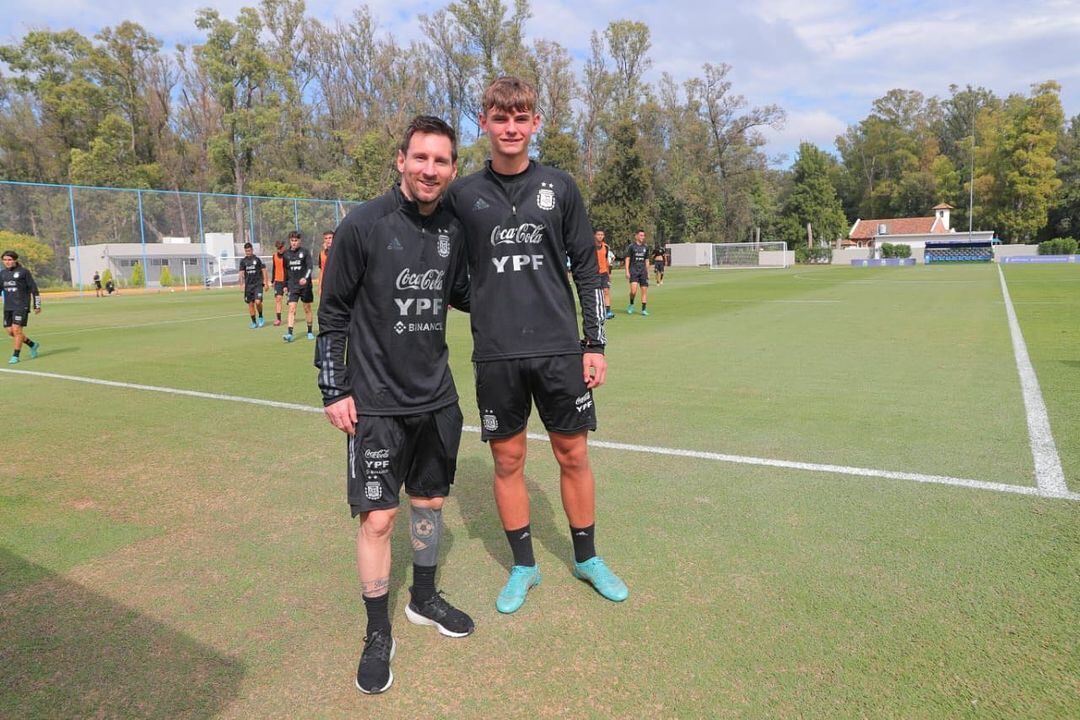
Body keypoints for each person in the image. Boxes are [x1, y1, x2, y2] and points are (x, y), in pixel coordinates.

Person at [444, 76, 627, 614]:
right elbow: (448, 269)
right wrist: (487, 302)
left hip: (559, 352)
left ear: (535, 124)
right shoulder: (463, 196)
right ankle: (524, 566)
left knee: (574, 454)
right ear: (484, 123)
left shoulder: (560, 187)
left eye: (520, 118)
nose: (510, 128)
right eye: (500, 118)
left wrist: (595, 344)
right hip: (496, 354)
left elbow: (588, 273)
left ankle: (588, 558)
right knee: (508, 462)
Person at [316, 115, 473, 695]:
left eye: (441, 161)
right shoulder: (363, 224)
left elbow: (465, 293)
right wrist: (334, 390)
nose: (430, 169)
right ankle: (378, 632)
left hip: (437, 399)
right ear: (401, 161)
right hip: (376, 404)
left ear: (453, 169)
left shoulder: (453, 230)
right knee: (379, 518)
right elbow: (332, 314)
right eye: (421, 158)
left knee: (429, 504)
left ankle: (424, 599)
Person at [1, 250, 41, 364]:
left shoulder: (24, 272)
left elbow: (34, 289)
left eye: (9, 259)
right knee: (10, 332)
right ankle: (32, 344)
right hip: (8, 307)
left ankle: (15, 355)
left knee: (17, 330)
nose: (7, 262)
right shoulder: (2, 273)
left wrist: (37, 305)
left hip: (21, 306)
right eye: (5, 260)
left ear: (15, 260)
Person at [281, 231, 314, 342]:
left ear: (299, 241)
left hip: (305, 286)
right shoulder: (286, 254)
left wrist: (305, 278)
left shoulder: (305, 252)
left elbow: (310, 267)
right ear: (290, 241)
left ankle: (309, 331)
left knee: (307, 308)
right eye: (292, 240)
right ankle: (289, 333)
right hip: (292, 286)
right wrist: (285, 284)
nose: (294, 243)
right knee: (291, 308)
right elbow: (285, 270)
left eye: (296, 240)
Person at [238, 242, 269, 328]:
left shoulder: (257, 260)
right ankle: (254, 322)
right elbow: (241, 273)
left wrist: (266, 283)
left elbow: (264, 270)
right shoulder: (243, 261)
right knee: (250, 304)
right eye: (246, 251)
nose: (248, 252)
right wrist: (241, 285)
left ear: (252, 250)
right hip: (248, 287)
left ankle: (261, 317)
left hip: (258, 285)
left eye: (249, 250)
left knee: (258, 302)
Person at [625, 230, 650, 316]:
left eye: (643, 235)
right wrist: (627, 271)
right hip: (634, 271)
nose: (642, 237)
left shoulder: (646, 247)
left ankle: (644, 309)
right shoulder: (631, 247)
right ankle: (631, 304)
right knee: (633, 291)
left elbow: (647, 260)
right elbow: (627, 259)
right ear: (636, 236)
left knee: (644, 291)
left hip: (643, 271)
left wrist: (647, 272)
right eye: (641, 235)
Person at [594, 230, 615, 319]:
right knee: (595, 293)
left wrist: (608, 273)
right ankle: (595, 311)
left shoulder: (606, 247)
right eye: (598, 234)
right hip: (593, 273)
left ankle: (608, 311)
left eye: (602, 235)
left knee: (606, 291)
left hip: (604, 273)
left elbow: (606, 261)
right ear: (594, 236)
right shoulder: (591, 247)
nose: (600, 236)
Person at [270, 239, 287, 326]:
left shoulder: (288, 255)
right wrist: (273, 280)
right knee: (278, 299)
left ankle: (291, 317)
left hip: (288, 281)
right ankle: (278, 319)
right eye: (278, 248)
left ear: (284, 247)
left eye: (281, 247)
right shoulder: (274, 256)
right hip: (278, 281)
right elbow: (274, 268)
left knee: (291, 301)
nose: (279, 249)